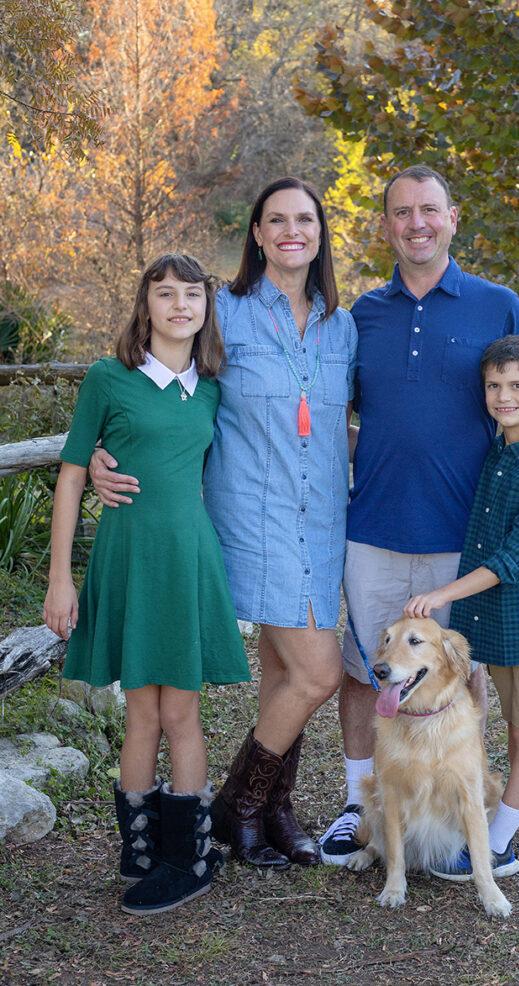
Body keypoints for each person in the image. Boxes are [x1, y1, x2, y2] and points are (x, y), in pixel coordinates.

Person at [88, 179, 358, 871]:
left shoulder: (342, 325)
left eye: (305, 219)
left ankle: (271, 813)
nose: (292, 230)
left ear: (320, 232)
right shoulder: (225, 313)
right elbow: (160, 374)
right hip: (249, 517)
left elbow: (353, 421)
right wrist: (99, 452)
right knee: (318, 672)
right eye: (276, 220)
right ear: (258, 235)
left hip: (323, 517)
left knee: (282, 668)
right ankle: (238, 802)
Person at [318, 165, 519, 865]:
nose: (416, 223)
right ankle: (360, 803)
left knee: (467, 674)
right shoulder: (361, 317)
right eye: (401, 212)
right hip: (373, 528)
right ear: (385, 226)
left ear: (453, 218)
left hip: (469, 536)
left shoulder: (497, 305)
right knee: (365, 671)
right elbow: (334, 415)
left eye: (429, 210)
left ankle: (512, 811)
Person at [43, 254, 250, 915]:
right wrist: (59, 580)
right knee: (140, 713)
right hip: (128, 558)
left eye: (194, 295)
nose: (181, 305)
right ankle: (137, 846)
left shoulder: (213, 386)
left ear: (206, 308)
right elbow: (74, 473)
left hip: (187, 559)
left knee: (179, 712)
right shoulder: (110, 378)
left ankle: (188, 854)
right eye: (167, 294)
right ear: (146, 304)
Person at [404, 334, 519, 876]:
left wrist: (440, 595)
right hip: (502, 624)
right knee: (515, 727)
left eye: (518, 387)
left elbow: (511, 558)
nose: (505, 397)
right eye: (495, 386)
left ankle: (498, 847)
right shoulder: (506, 445)